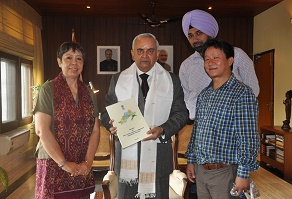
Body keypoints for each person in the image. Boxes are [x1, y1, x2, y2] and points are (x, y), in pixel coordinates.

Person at [101, 33, 187, 199]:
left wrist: (163, 129)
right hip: (127, 162)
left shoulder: (171, 80)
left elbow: (181, 114)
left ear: (156, 53)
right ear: (132, 53)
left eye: (150, 51)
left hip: (159, 158)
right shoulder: (118, 79)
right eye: (140, 50)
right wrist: (109, 123)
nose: (144, 55)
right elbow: (106, 111)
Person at [185, 38, 260, 199]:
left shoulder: (242, 94)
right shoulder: (204, 95)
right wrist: (191, 160)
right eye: (207, 59)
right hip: (201, 171)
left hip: (225, 173)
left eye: (216, 57)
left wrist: (243, 173)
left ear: (230, 60)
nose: (210, 62)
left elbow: (248, 138)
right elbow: (197, 131)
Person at [33, 42, 100, 199]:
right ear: (59, 61)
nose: (74, 63)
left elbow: (95, 130)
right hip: (53, 162)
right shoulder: (48, 89)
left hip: (80, 163)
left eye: (79, 59)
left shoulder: (89, 93)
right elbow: (42, 130)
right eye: (68, 58)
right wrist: (63, 163)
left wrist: (88, 162)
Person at [179, 9, 260, 123]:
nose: (195, 39)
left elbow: (253, 90)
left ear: (209, 33)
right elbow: (186, 97)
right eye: (190, 36)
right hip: (200, 125)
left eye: (199, 33)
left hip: (233, 123)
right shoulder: (186, 66)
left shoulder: (236, 55)